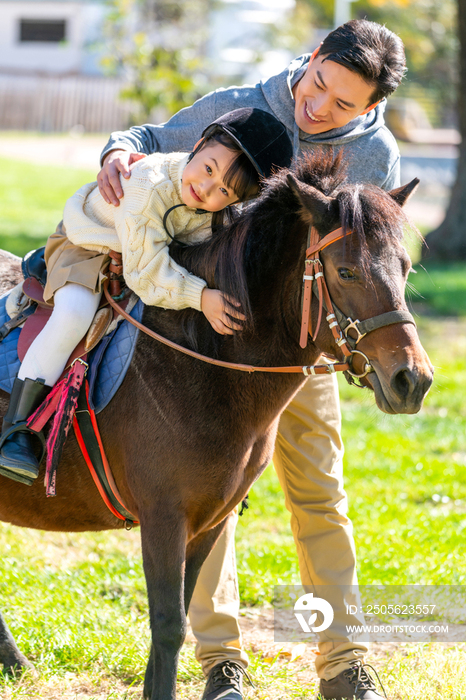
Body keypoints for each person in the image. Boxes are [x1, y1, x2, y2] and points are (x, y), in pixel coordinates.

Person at [97, 19, 406, 700]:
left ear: (371, 108)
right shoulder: (247, 103)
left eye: (343, 103)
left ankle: (345, 661)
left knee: (319, 495)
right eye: (319, 82)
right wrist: (118, 152)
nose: (318, 106)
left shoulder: (376, 157)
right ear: (315, 57)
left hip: (306, 356)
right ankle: (221, 662)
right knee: (210, 502)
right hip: (219, 347)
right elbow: (149, 142)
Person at [0, 108, 293, 485]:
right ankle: (18, 430)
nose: (207, 189)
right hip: (89, 244)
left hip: (140, 248)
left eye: (224, 190)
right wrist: (201, 296)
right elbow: (145, 273)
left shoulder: (210, 207)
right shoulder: (148, 186)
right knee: (75, 313)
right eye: (208, 170)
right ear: (200, 145)